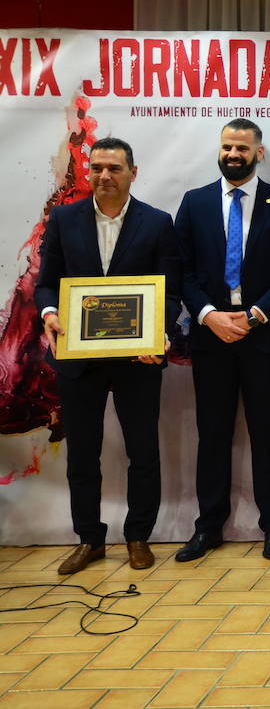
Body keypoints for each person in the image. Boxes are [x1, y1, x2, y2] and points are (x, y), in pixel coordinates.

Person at [37, 137, 181, 575]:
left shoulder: (157, 223)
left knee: (143, 451)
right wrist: (49, 313)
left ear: (132, 173)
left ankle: (138, 535)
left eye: (114, 169)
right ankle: (89, 539)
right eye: (96, 168)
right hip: (78, 359)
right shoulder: (62, 219)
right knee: (83, 452)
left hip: (138, 359)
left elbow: (170, 293)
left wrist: (157, 333)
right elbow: (46, 283)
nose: (104, 176)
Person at [172, 119, 270, 562]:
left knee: (267, 434)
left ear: (258, 153)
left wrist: (256, 314)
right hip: (211, 340)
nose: (232, 154)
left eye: (242, 148)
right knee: (212, 435)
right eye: (226, 146)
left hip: (262, 337)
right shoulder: (194, 203)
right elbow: (181, 271)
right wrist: (209, 316)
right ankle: (208, 527)